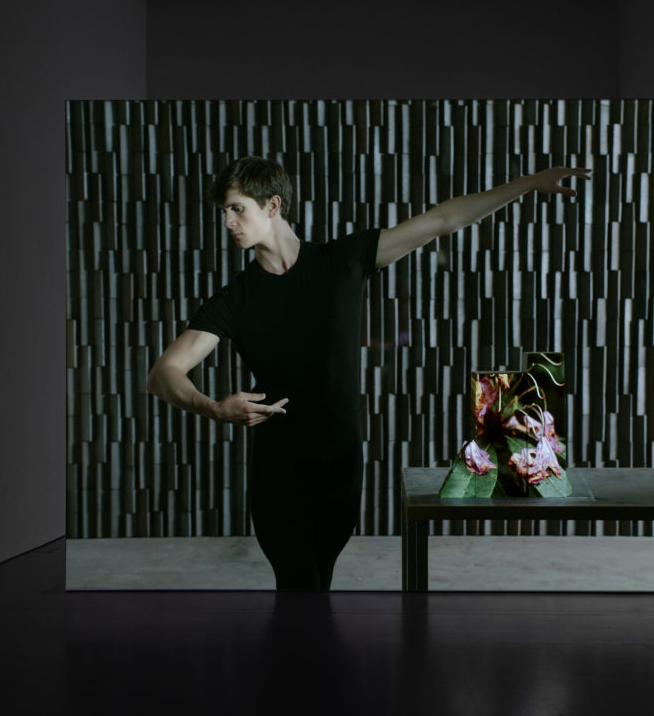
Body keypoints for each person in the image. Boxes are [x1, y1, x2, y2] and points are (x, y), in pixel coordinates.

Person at [146, 155, 590, 591]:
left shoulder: (342, 261)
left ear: (273, 205)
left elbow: (443, 220)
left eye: (236, 209)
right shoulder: (236, 299)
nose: (228, 222)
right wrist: (212, 408)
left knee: (317, 585)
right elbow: (164, 373)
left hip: (340, 464)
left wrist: (529, 183)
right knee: (299, 585)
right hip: (278, 471)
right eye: (224, 212)